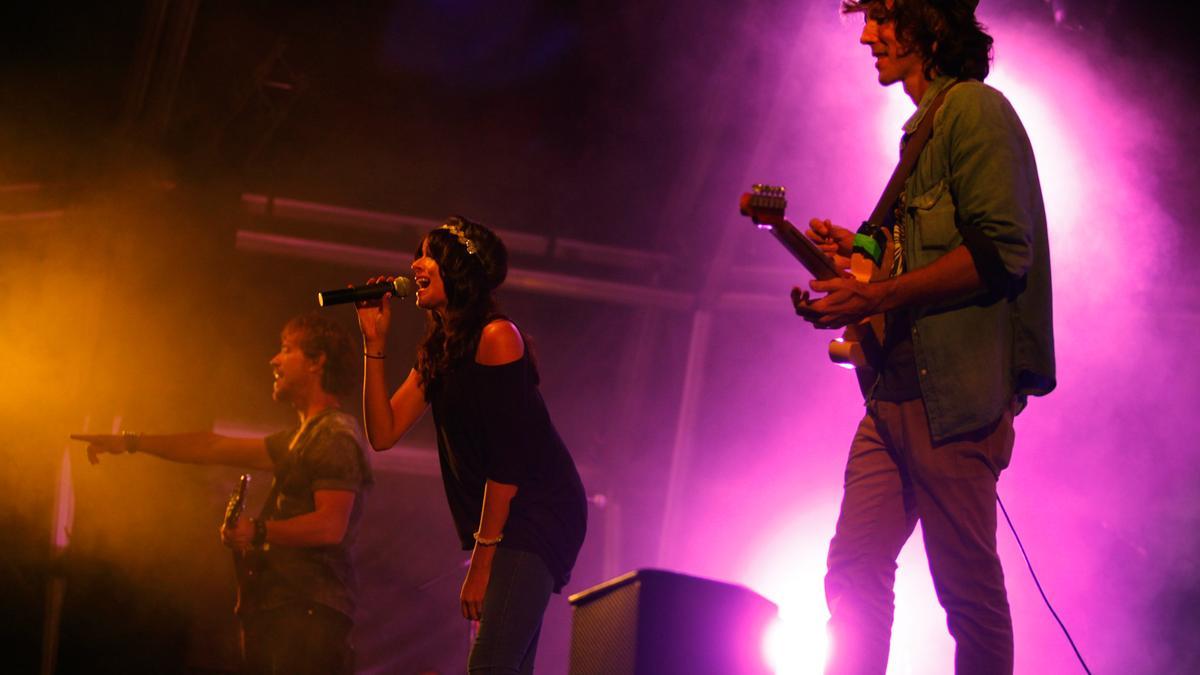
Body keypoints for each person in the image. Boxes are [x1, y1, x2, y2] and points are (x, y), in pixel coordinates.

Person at [791, 1, 1055, 673]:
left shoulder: (974, 110)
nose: (867, 34)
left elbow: (1001, 251)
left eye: (883, 16)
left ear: (927, 26)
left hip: (955, 400)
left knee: (966, 593)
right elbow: (924, 252)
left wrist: (875, 292)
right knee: (851, 570)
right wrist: (857, 247)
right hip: (892, 396)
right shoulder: (924, 131)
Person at [71, 313, 371, 675]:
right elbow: (210, 447)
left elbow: (329, 526)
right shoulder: (300, 438)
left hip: (309, 614)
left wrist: (258, 531)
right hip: (288, 612)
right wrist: (129, 442)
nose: (273, 360)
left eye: (287, 349)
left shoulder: (335, 434)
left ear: (317, 360)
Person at [354, 215, 587, 674]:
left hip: (537, 513)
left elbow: (507, 467)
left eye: (428, 255)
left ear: (458, 268)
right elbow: (382, 433)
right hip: (507, 521)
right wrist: (373, 343)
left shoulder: (497, 337)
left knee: (489, 667)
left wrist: (481, 565)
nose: (415, 264)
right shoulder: (445, 347)